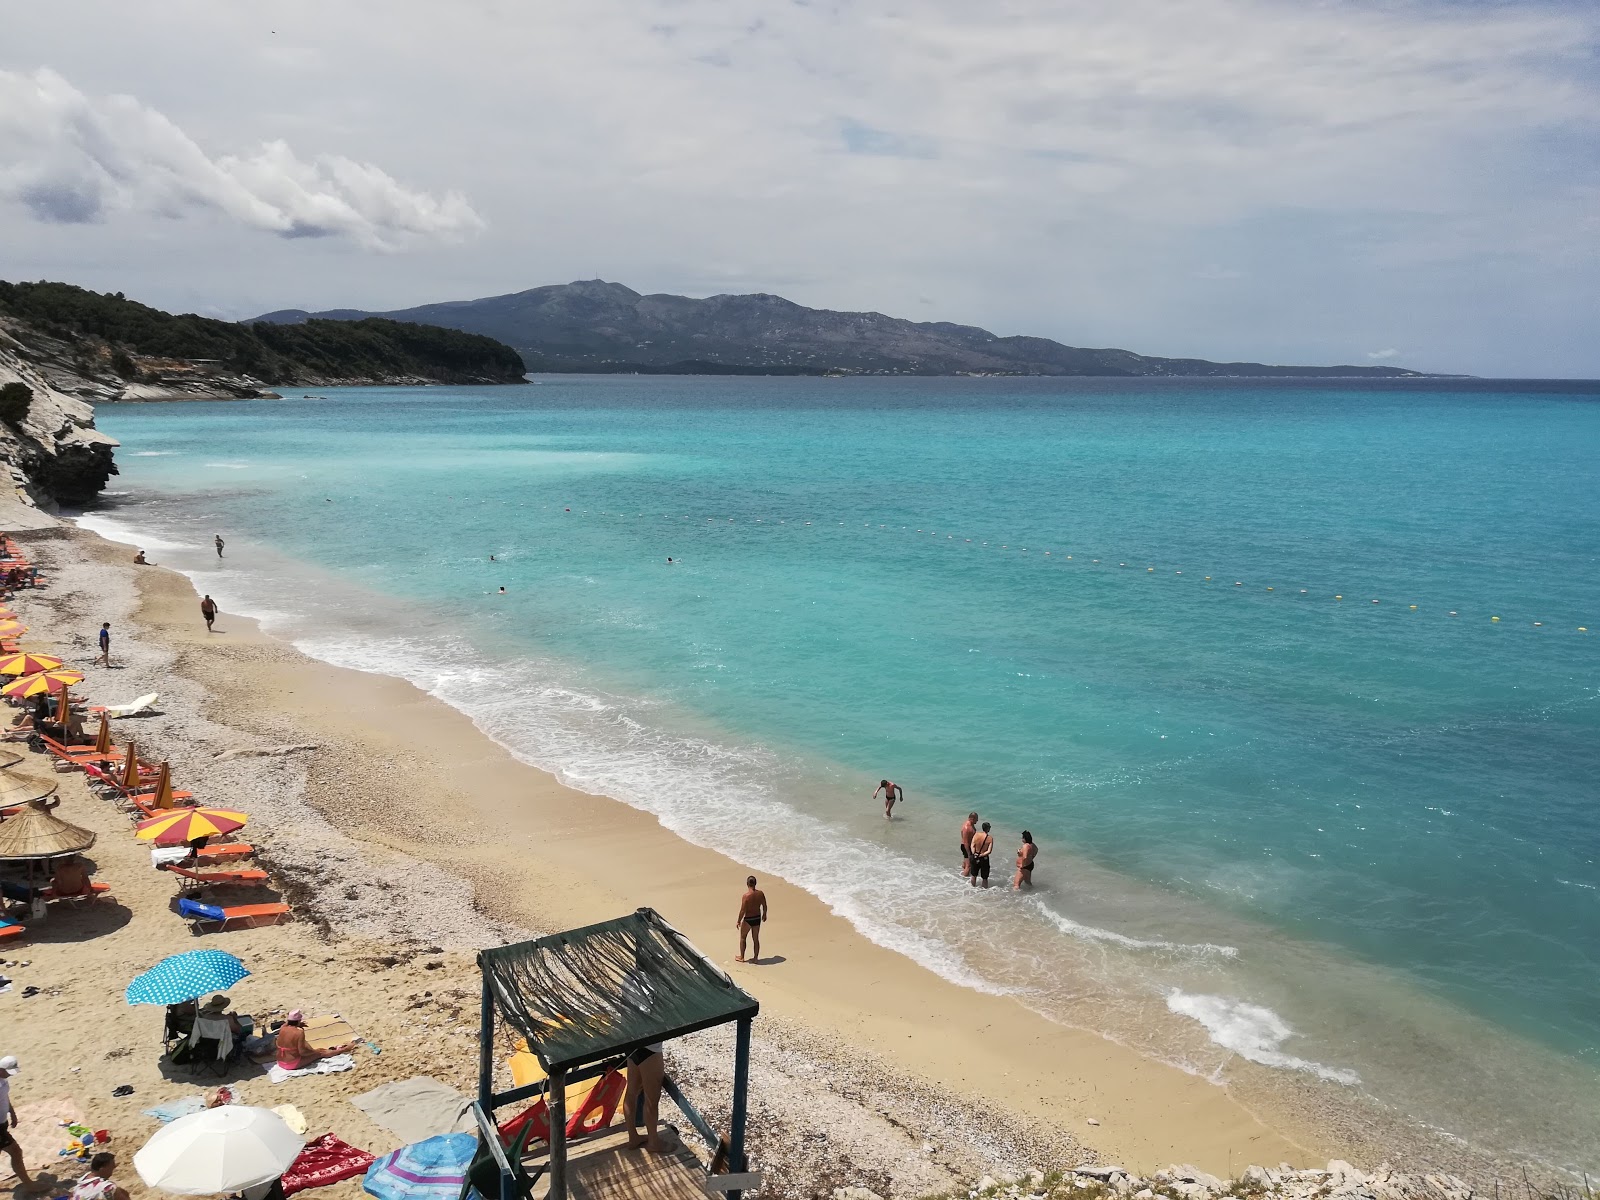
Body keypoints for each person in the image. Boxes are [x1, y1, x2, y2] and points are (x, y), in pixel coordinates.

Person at [274, 1011, 353, 1070]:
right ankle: (345, 1049)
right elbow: (303, 1052)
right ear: (298, 1021)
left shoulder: (283, 1028)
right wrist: (315, 1052)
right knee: (321, 1052)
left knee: (300, 1045)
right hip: (291, 1064)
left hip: (280, 1061)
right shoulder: (299, 1032)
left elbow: (288, 1023)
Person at [0, 1054, 32, 1189]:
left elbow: (4, 1096)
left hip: (2, 1122)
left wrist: (12, 1112)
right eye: (9, 1072)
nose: (11, 1075)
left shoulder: (3, 1080)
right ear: (1, 1069)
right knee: (16, 1152)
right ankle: (29, 1185)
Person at [735, 876, 767, 963]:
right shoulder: (760, 893)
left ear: (747, 884)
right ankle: (756, 958)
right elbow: (764, 905)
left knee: (743, 937)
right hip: (757, 918)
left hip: (748, 919)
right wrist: (764, 914)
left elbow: (742, 910)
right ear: (755, 883)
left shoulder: (746, 896)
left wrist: (738, 921)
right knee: (755, 939)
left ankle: (742, 957)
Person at [968, 821, 994, 889]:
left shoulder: (976, 834)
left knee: (974, 875)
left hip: (975, 856)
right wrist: (982, 855)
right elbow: (989, 851)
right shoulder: (990, 838)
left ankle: (972, 889)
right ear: (988, 829)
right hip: (984, 858)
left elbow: (972, 845)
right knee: (985, 878)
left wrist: (975, 854)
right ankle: (984, 892)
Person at [960, 812, 978, 877]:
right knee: (969, 865)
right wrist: (969, 853)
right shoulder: (967, 827)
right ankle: (964, 881)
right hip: (966, 846)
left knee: (965, 861)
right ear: (972, 818)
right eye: (976, 819)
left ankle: (963, 872)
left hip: (968, 846)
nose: (977, 820)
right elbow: (965, 842)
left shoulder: (971, 824)